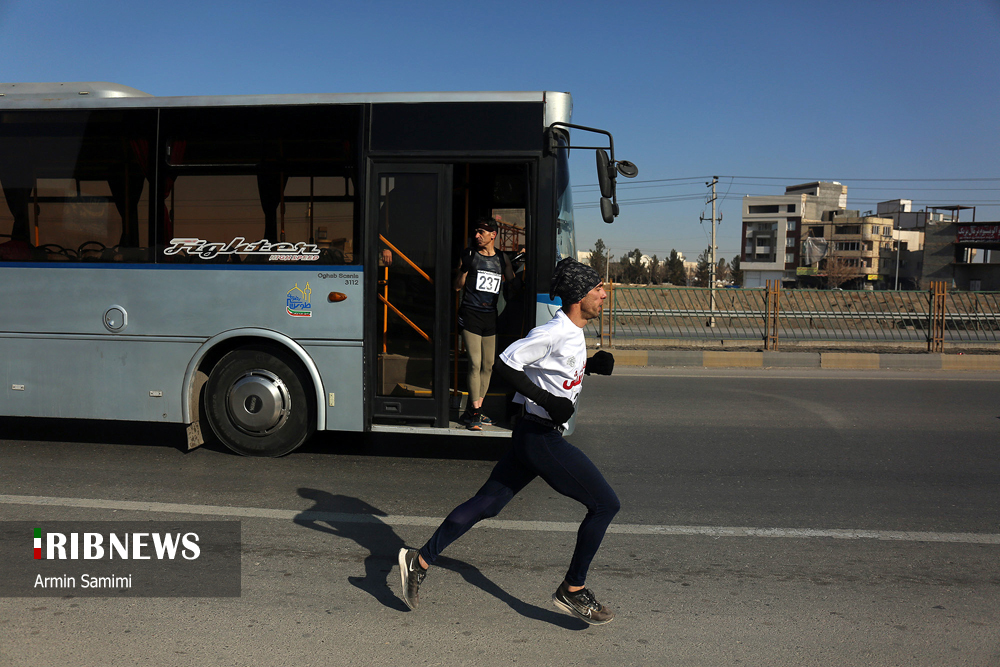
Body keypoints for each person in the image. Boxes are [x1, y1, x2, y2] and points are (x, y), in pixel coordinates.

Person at [398, 257, 619, 624]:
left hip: (531, 435)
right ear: (579, 295)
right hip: (541, 438)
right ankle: (573, 589)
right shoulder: (553, 331)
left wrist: (590, 365)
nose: (604, 295)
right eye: (598, 289)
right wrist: (548, 401)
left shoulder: (572, 332)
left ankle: (417, 561)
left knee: (487, 504)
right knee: (605, 504)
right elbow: (505, 363)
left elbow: (552, 370)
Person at [454, 217, 515, 430]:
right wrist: (463, 270)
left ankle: (475, 410)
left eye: (481, 232)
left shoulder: (502, 258)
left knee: (488, 364)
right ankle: (476, 412)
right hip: (471, 313)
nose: (477, 235)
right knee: (475, 363)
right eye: (476, 232)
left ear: (493, 235)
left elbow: (512, 282)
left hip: (490, 316)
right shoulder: (470, 255)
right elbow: (457, 286)